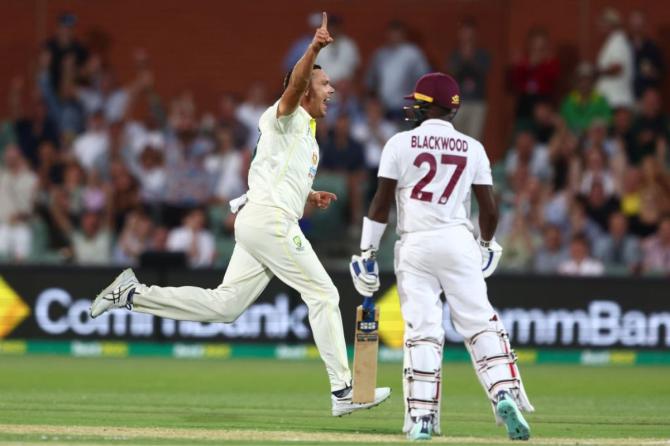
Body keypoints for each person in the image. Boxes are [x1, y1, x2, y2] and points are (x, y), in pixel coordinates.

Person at [90, 13, 390, 416]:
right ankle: (342, 392)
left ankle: (132, 294)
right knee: (324, 293)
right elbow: (294, 85)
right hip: (267, 221)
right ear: (303, 91)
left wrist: (309, 196)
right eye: (324, 83)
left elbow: (277, 179)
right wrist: (314, 49)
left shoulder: (310, 139)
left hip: (261, 221)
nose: (331, 88)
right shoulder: (283, 115)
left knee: (225, 307)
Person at [350, 73, 533, 440]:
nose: (413, 105)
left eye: (418, 100)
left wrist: (367, 252)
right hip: (458, 242)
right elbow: (490, 210)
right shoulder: (473, 147)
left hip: (416, 246)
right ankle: (503, 393)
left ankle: (421, 418)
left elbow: (381, 203)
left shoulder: (400, 144)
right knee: (481, 324)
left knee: (423, 333)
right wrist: (486, 244)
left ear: (430, 105)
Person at [447, 18, 491, 140]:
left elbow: (484, 70)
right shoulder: (455, 55)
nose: (467, 37)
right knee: (458, 139)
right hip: (458, 103)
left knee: (474, 140)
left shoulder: (482, 54)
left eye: (470, 34)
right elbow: (452, 72)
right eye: (464, 33)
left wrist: (470, 57)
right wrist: (463, 58)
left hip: (477, 103)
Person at [595, 8, 634, 109]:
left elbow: (617, 68)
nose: (599, 26)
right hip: (610, 99)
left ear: (611, 25)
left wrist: (596, 71)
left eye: (602, 23)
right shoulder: (612, 42)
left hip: (616, 101)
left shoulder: (618, 42)